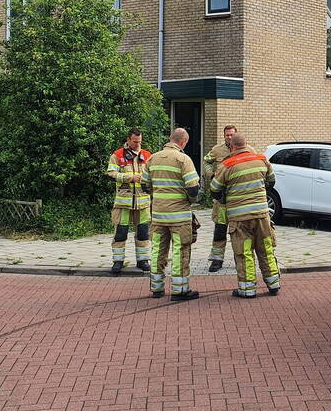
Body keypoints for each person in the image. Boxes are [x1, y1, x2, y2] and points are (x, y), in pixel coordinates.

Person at [210, 133, 281, 298]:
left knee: (244, 253)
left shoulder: (227, 165)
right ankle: (274, 284)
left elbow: (214, 189)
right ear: (246, 144)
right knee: (266, 249)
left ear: (232, 146)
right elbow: (271, 181)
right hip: (262, 215)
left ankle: (247, 289)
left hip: (240, 218)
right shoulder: (261, 159)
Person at [140, 128, 201, 301]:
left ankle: (156, 288)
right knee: (180, 251)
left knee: (158, 250)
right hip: (179, 216)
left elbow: (145, 185)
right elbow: (193, 188)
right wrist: (190, 200)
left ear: (170, 139)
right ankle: (180, 290)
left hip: (158, 215)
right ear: (183, 142)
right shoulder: (183, 159)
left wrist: (157, 196)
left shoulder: (153, 158)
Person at [202, 124, 255, 273]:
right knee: (220, 229)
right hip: (222, 199)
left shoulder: (249, 150)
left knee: (241, 231)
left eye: (232, 135)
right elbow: (206, 161)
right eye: (227, 135)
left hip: (240, 199)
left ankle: (241, 259)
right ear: (224, 136)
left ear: (236, 135)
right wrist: (211, 174)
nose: (229, 138)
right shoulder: (217, 150)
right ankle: (217, 260)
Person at [105, 129, 151, 274]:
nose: (138, 144)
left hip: (143, 202)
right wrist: (129, 178)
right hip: (123, 202)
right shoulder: (117, 155)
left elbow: (153, 173)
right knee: (121, 232)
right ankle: (118, 262)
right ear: (128, 140)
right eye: (135, 141)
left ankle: (143, 260)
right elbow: (111, 173)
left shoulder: (147, 155)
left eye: (139, 141)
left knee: (143, 233)